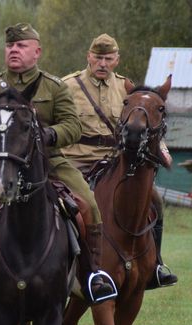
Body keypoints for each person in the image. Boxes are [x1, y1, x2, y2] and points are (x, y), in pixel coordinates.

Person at [0, 23, 116, 303]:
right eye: (10, 45)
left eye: (21, 45)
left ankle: (93, 274)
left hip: (49, 163)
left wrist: (50, 134)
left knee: (89, 204)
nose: (14, 50)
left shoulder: (54, 86)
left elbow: (72, 126)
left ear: (36, 52)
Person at [61, 33, 178, 288]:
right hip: (75, 161)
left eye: (108, 58)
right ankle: (64, 264)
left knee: (154, 199)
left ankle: (155, 264)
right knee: (66, 204)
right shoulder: (67, 86)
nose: (102, 63)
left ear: (116, 60)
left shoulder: (127, 89)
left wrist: (162, 149)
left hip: (114, 161)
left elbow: (148, 124)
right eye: (98, 57)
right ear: (89, 57)